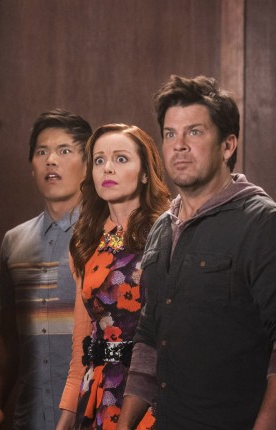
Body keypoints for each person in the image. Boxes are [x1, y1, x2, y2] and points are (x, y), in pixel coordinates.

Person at [117, 75, 276, 429]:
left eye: (194, 132)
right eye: (170, 134)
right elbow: (149, 337)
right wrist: (124, 426)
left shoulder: (265, 224)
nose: (179, 146)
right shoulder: (161, 229)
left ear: (227, 146)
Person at [56, 124, 171, 430]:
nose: (108, 168)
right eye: (99, 160)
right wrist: (67, 412)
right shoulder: (86, 242)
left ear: (145, 173)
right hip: (99, 389)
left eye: (121, 159)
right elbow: (83, 339)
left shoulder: (168, 232)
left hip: (156, 388)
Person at [0, 109, 92, 430]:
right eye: (42, 152)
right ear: (32, 166)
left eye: (64, 151)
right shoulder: (14, 242)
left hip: (92, 414)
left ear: (88, 164)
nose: (51, 161)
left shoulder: (106, 238)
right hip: (30, 415)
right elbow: (7, 333)